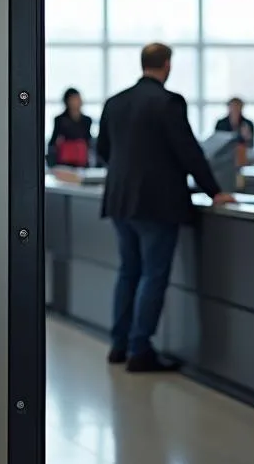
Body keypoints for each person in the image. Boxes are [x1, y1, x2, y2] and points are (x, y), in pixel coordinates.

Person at [97, 42, 232, 373]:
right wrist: (214, 190)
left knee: (129, 270)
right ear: (167, 65)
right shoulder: (168, 102)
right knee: (153, 274)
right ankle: (140, 350)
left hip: (119, 199)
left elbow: (102, 149)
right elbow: (188, 151)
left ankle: (120, 344)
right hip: (156, 203)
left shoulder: (115, 102)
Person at [47, 87, 93, 168]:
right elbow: (53, 142)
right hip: (64, 162)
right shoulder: (60, 120)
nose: (77, 102)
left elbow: (88, 140)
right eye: (74, 99)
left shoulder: (87, 120)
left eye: (78, 99)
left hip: (82, 161)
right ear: (67, 101)